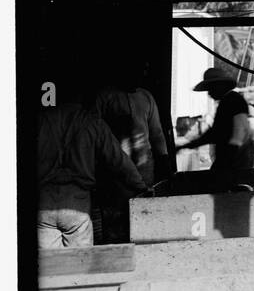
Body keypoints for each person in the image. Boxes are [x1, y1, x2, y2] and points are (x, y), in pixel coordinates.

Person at [38, 85, 148, 248]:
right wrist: (140, 186)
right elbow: (118, 160)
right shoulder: (91, 121)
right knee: (78, 267)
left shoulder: (42, 120)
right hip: (77, 203)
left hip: (43, 202)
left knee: (50, 269)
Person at [90, 64, 172, 242]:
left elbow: (156, 132)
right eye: (135, 73)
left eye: (142, 73)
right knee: (116, 222)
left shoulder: (146, 97)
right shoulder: (105, 97)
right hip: (114, 173)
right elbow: (94, 132)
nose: (139, 77)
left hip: (145, 170)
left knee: (144, 217)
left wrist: (164, 159)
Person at [177, 67, 254, 187]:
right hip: (229, 160)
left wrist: (226, 162)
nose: (209, 93)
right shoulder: (224, 103)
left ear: (220, 86)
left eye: (211, 89)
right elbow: (214, 134)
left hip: (236, 161)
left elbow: (240, 131)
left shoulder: (234, 100)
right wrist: (188, 146)